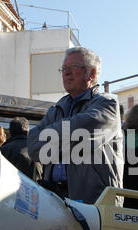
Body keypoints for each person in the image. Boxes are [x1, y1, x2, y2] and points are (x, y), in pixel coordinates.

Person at [28, 47, 123, 204]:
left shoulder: (107, 104)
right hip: (55, 199)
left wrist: (50, 140)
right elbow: (33, 145)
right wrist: (66, 136)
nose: (66, 73)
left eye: (73, 67)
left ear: (91, 74)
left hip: (96, 203)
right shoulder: (57, 108)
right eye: (64, 68)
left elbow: (80, 133)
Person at [0, 117, 43, 182]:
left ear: (10, 132)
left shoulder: (4, 150)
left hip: (13, 189)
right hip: (36, 189)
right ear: (28, 132)